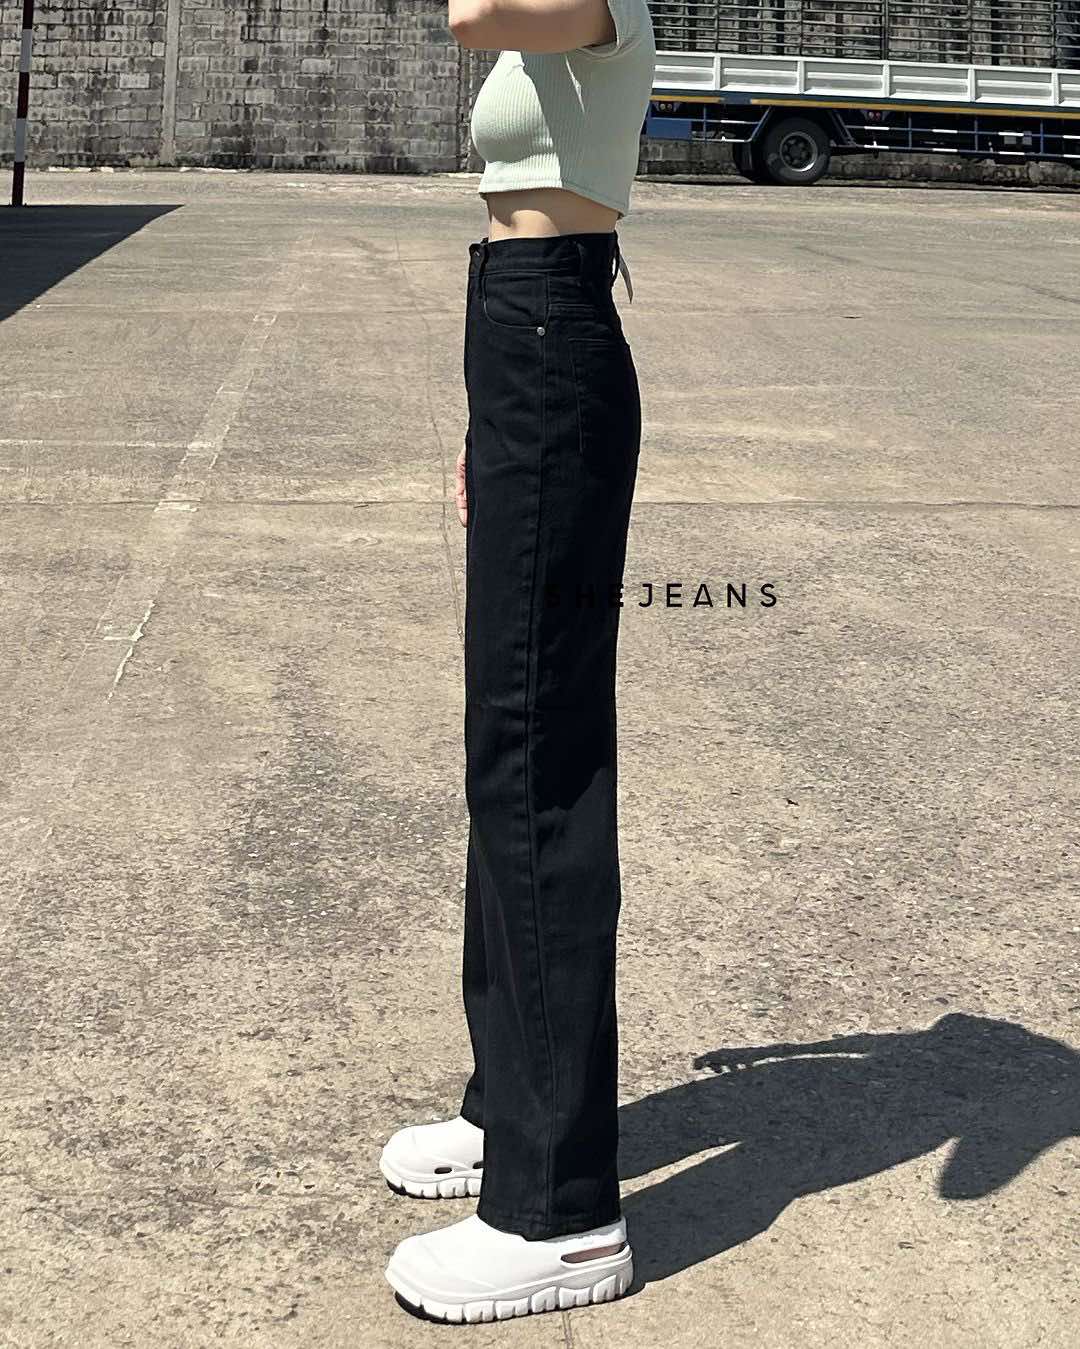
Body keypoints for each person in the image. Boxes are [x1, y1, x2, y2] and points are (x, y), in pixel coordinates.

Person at [380, 0, 656, 1323]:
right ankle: (510, 1110)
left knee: (538, 754)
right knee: (505, 752)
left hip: (551, 334)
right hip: (519, 336)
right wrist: (488, 427)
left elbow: (470, 14)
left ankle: (562, 1212)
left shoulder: (600, 2)